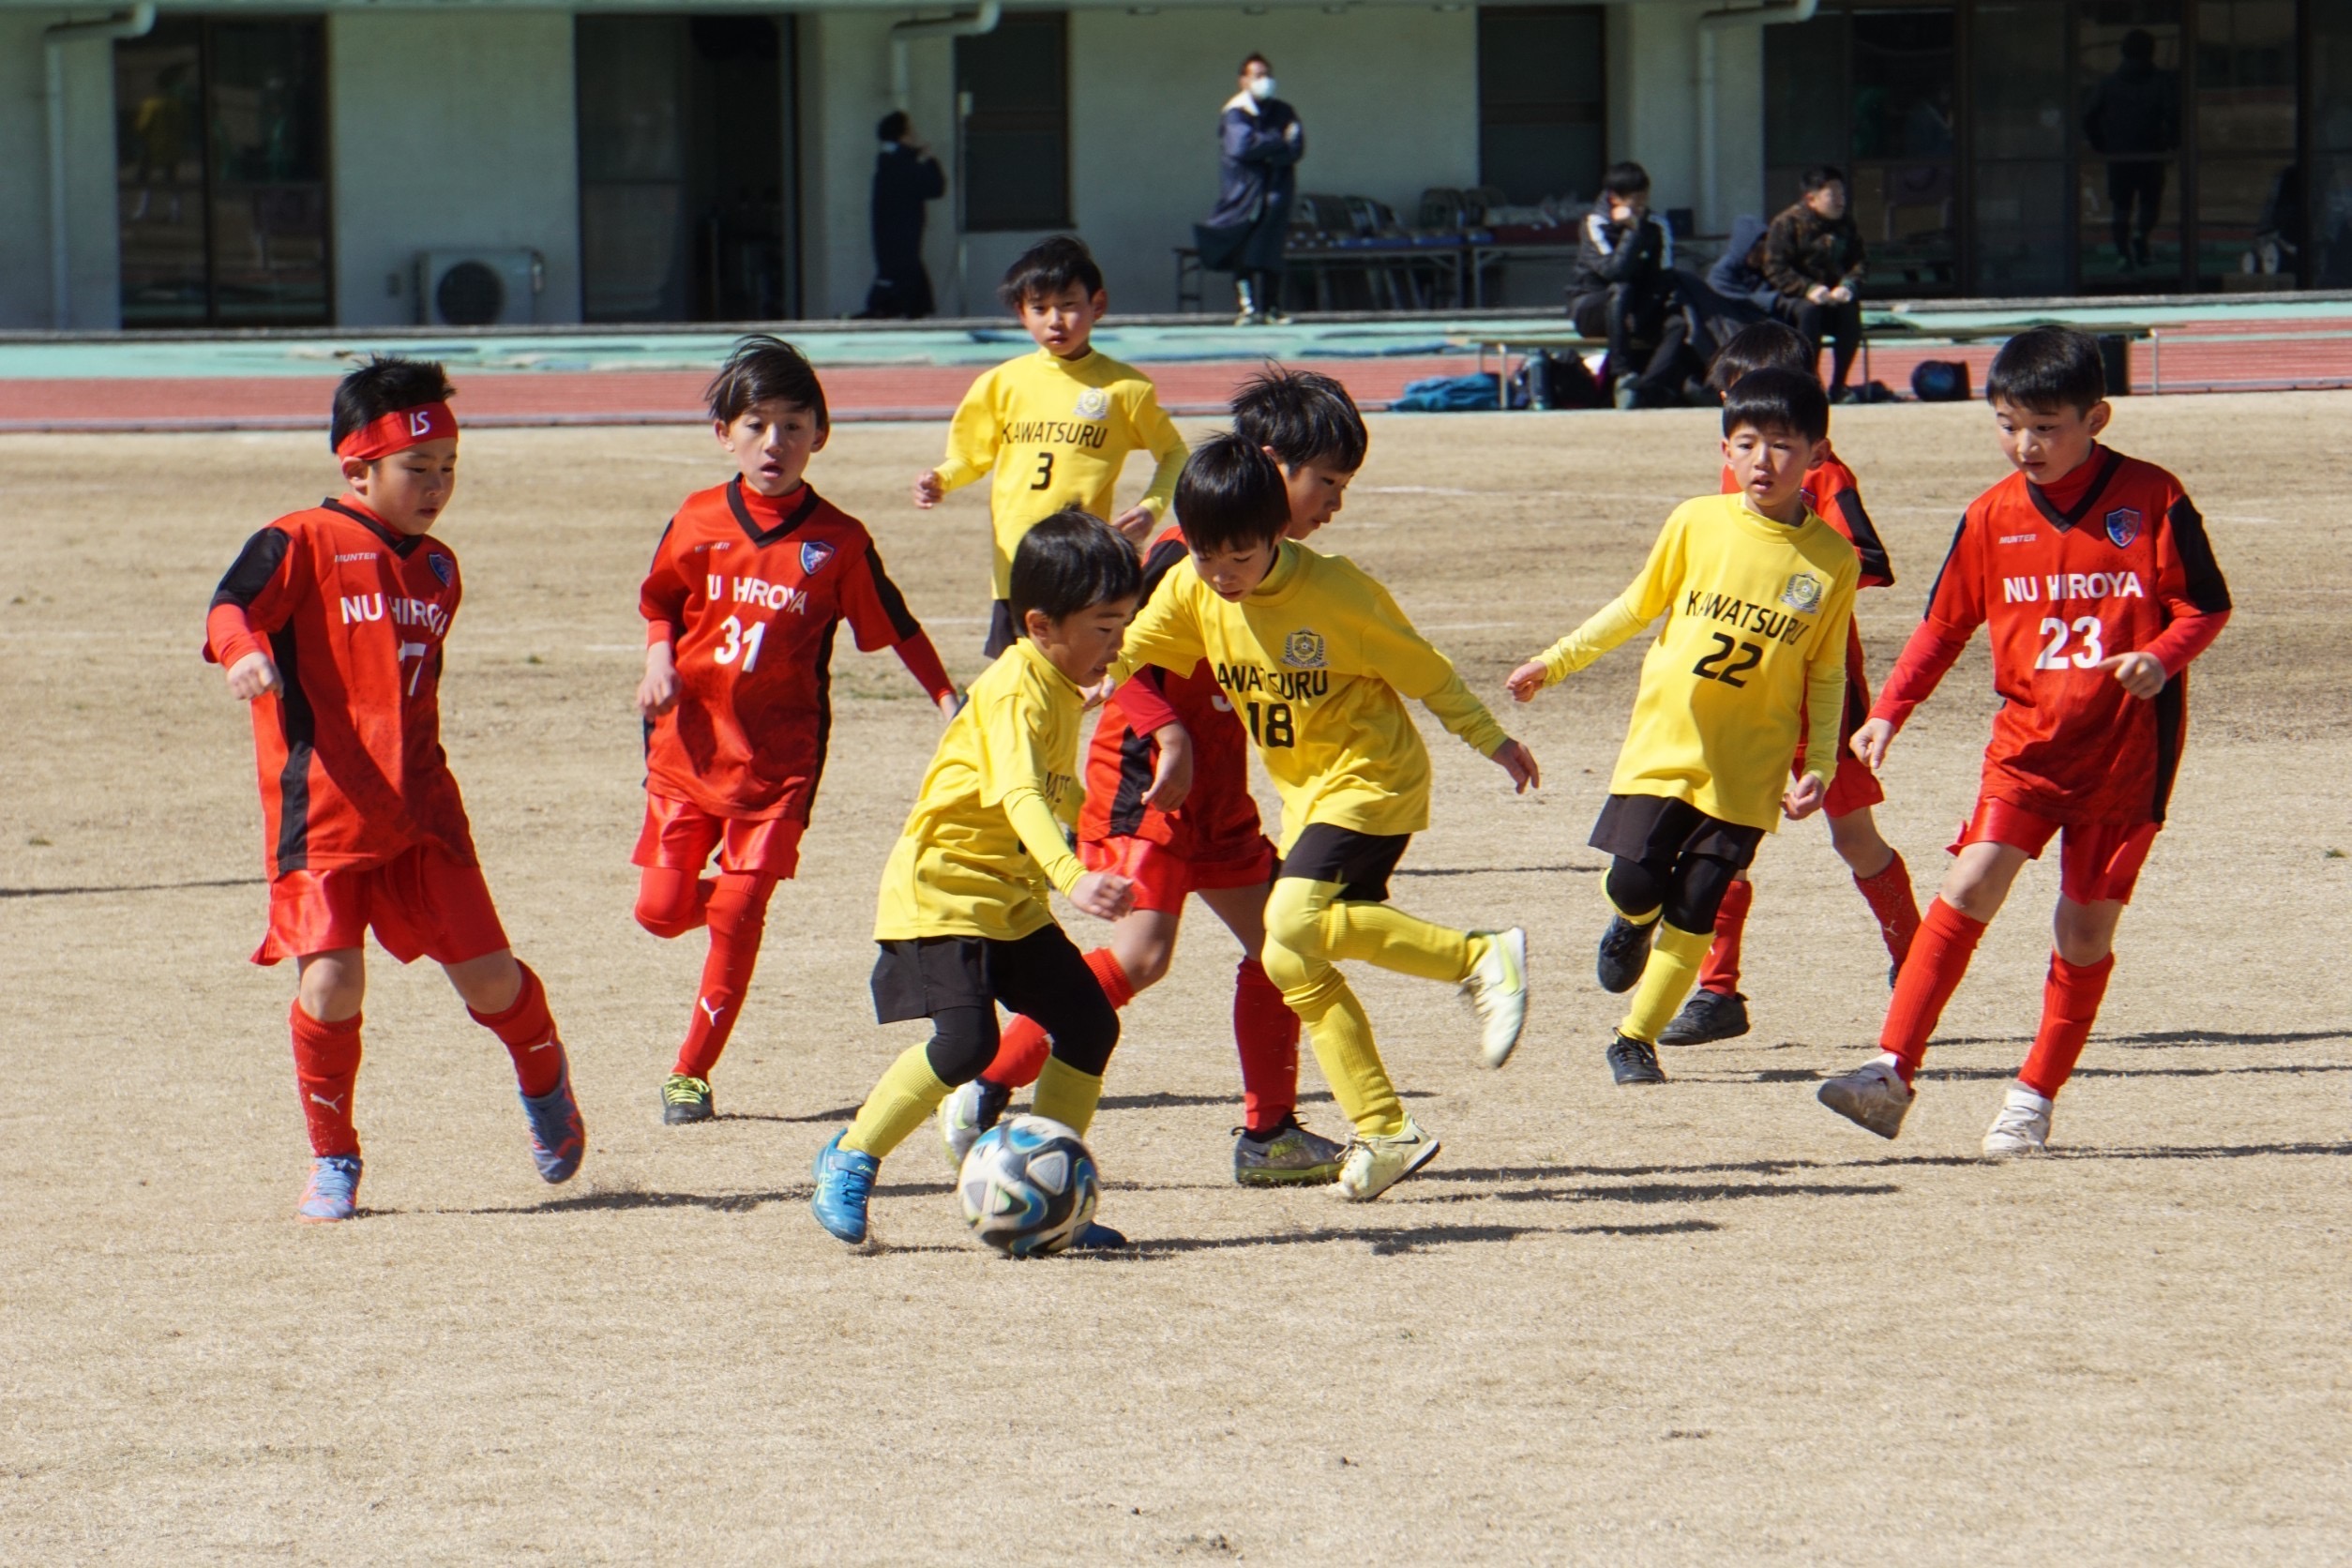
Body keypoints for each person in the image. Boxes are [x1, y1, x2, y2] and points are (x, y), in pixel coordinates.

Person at [936, 369, 1369, 1187]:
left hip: (1218, 791)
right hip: (1145, 777)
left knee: (1282, 945)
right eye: (1326, 482)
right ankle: (987, 1083)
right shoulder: (1185, 550)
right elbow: (1123, 652)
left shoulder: (1281, 562)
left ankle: (1268, 1135)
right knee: (1140, 956)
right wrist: (1169, 730)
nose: (1334, 503)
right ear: (1273, 465)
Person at [1816, 326, 2231, 1156]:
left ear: (2097, 418)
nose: (2025, 444)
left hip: (2124, 756)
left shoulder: (2153, 499)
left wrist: (2157, 656)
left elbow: (2205, 606)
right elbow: (1945, 626)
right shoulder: (1990, 515)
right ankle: (1889, 1070)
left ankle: (2032, 1098)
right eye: (2008, 424)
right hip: (2027, 745)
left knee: (2082, 933)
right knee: (1969, 884)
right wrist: (1889, 710)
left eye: (2046, 426)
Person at [203, 356, 584, 1223]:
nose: (438, 485)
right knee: (330, 986)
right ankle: (335, 1159)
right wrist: (245, 654)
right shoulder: (298, 540)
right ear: (357, 468)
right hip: (323, 812)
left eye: (449, 468)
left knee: (490, 983)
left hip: (420, 815)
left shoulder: (440, 570)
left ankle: (545, 1079)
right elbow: (230, 605)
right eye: (419, 469)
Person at [1109, 439, 1540, 1200]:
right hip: (1308, 800)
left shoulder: (1340, 594)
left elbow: (1429, 673)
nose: (1222, 574)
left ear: (1276, 533)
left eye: (1239, 557)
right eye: (1208, 556)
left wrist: (1495, 742)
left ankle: (1478, 958)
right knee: (1288, 959)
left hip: (1374, 784)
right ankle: (1385, 1131)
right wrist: (1067, 669)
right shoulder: (1192, 588)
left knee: (1293, 922)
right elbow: (1125, 649)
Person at [632, 337, 960, 1125]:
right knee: (660, 911)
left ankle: (690, 1073)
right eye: (755, 425)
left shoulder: (839, 542)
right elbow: (660, 601)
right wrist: (655, 660)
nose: (772, 443)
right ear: (724, 434)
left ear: (821, 433)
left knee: (740, 914)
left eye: (791, 425)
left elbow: (899, 624)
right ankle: (722, 907)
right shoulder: (699, 517)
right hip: (687, 748)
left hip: (780, 767)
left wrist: (947, 696)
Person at [1506, 368, 1861, 1088]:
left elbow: (1826, 673)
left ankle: (1635, 1039)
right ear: (1725, 450)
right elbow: (1636, 608)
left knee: (1700, 902)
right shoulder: (1696, 521)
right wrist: (1556, 661)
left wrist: (1817, 761)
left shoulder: (1832, 560)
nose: (1764, 460)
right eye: (1747, 443)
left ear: (1818, 456)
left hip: (1749, 768)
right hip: (1665, 748)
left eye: (1783, 446)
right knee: (1638, 884)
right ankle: (1629, 922)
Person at [808, 511, 1143, 1248]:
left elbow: (1056, 792)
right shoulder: (1014, 691)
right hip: (943, 894)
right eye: (1103, 627)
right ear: (1041, 625)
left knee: (1089, 1021)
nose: (1116, 645)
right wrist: (1074, 875)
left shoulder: (1058, 683)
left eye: (1123, 626)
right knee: (964, 1047)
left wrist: (1101, 836)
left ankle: (1052, 1193)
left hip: (1007, 900)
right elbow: (1022, 794)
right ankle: (849, 1156)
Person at [1658, 323, 1921, 1047]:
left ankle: (1918, 957)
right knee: (1720, 836)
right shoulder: (1732, 476)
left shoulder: (1824, 476)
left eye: (1739, 396)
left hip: (1818, 692)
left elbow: (1865, 558)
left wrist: (1794, 581)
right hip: (1743, 688)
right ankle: (1717, 993)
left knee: (1855, 837)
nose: (1736, 422)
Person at [913, 235, 1187, 656]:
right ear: (1021, 314)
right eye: (1039, 308)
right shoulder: (1000, 383)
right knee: (1016, 678)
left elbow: (1175, 455)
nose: (1055, 320)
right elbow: (970, 457)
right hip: (1015, 565)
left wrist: (1150, 508)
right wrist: (942, 479)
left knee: (1075, 677)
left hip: (1083, 564)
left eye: (1069, 305)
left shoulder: (1125, 388)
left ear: (1098, 305)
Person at [1570, 162, 1691, 409]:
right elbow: (1614, 271)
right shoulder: (1594, 224)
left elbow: (1663, 276)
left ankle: (1648, 388)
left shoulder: (1657, 225)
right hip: (1593, 308)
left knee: (1678, 324)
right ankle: (1622, 374)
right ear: (1615, 198)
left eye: (1644, 199)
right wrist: (1632, 232)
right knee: (1621, 289)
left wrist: (1645, 311)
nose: (1641, 206)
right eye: (1634, 200)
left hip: (1637, 308)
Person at [1197, 53, 1304, 325]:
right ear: (1243, 80)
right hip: (1242, 194)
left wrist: (1268, 148)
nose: (1263, 81)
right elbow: (1241, 147)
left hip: (1277, 191)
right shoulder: (1235, 113)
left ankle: (1272, 308)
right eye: (1257, 75)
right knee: (1242, 250)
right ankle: (1248, 308)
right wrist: (1278, 141)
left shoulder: (1283, 111)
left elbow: (1296, 148)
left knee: (1271, 251)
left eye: (1267, 74)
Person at [1765, 166, 1867, 400]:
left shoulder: (1846, 225)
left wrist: (1848, 285)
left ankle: (1839, 384)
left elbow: (1860, 262)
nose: (1840, 201)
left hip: (1832, 297)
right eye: (1832, 195)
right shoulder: (1786, 223)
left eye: (1842, 194)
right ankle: (1810, 383)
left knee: (1850, 313)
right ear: (1811, 198)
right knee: (1810, 312)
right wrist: (1808, 288)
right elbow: (1775, 267)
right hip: (1795, 298)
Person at [2083, 29, 2179, 273]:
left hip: (2120, 154)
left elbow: (2089, 117)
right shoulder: (2160, 81)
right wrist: (2172, 144)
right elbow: (2173, 115)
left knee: (2121, 206)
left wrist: (2101, 144)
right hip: (2151, 152)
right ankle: (2140, 238)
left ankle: (2124, 254)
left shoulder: (2109, 84)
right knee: (2149, 202)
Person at [857, 112, 947, 319]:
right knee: (904, 284)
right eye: (910, 131)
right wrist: (928, 159)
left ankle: (888, 309)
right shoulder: (902, 165)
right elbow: (934, 188)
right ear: (902, 135)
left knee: (899, 280)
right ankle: (883, 310)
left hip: (891, 236)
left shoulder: (887, 162)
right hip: (904, 236)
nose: (914, 135)